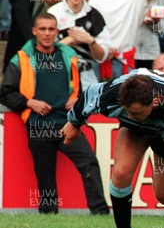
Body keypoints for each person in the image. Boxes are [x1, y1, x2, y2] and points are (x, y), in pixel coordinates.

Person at [60, 68, 164, 228]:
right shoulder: (113, 94)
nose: (130, 115)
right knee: (120, 173)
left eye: (136, 113)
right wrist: (74, 122)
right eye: (128, 111)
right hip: (133, 132)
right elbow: (89, 94)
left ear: (156, 102)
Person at [0, 13, 109, 215]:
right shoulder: (22, 58)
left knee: (89, 162)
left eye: (51, 29)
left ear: (57, 32)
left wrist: (78, 100)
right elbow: (4, 92)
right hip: (38, 124)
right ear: (34, 31)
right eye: (42, 29)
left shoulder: (68, 55)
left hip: (68, 123)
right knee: (45, 175)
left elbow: (80, 89)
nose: (47, 33)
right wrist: (29, 102)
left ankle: (101, 212)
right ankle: (49, 214)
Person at [89, 0, 161, 81]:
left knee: (125, 101)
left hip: (125, 63)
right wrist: (102, 49)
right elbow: (91, 30)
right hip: (101, 61)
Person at [47, 0, 111, 88]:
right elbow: (44, 53)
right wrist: (69, 41)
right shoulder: (54, 13)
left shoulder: (95, 15)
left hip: (88, 74)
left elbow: (102, 56)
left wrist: (90, 41)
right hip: (58, 71)